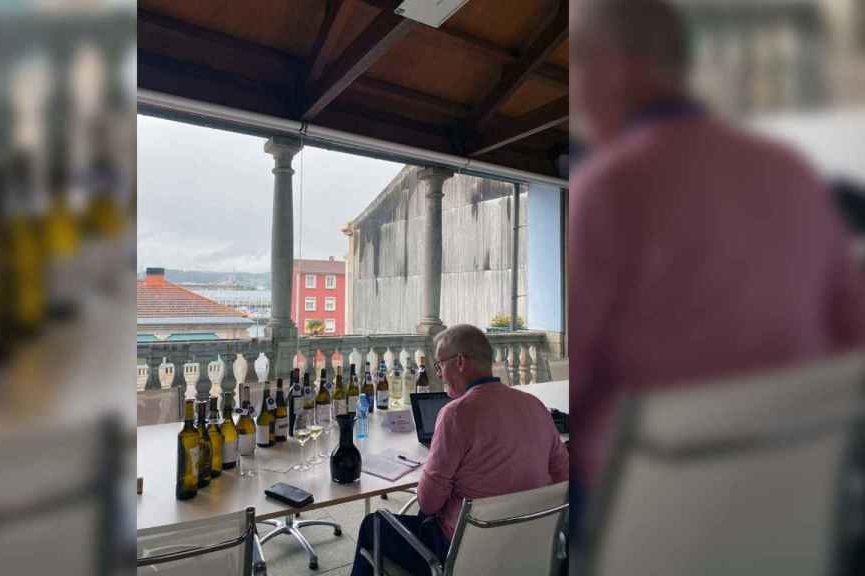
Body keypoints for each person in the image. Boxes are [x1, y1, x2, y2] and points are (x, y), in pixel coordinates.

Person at [570, 0, 865, 527]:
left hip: (648, 518)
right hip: (794, 508)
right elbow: (853, 343)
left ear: (612, 66)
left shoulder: (608, 187)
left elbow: (579, 374)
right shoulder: (795, 174)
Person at [350, 324, 569, 575]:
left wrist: (435, 469)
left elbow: (428, 503)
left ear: (460, 362)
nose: (440, 375)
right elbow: (563, 476)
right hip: (530, 548)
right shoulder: (535, 406)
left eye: (440, 365)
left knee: (373, 524)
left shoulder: (456, 414)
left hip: (464, 555)